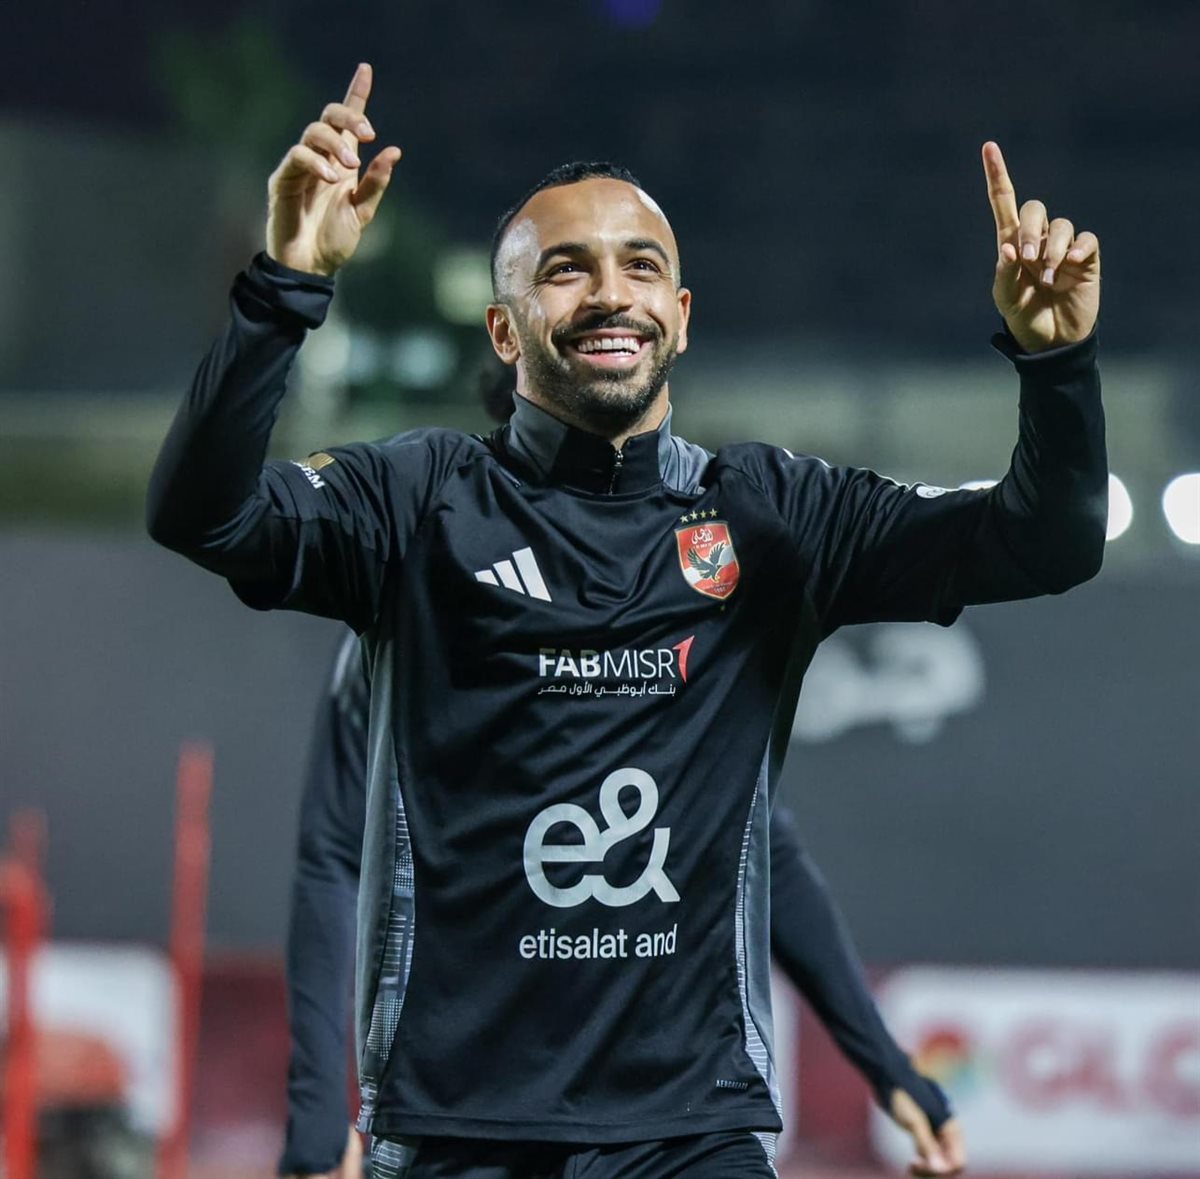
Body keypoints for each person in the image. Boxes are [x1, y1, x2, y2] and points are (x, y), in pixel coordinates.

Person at [148, 61, 1104, 1179]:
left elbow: (1046, 544)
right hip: (460, 1133)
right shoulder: (415, 503)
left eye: (641, 265)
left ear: (680, 319)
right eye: (566, 270)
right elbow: (202, 516)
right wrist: (285, 285)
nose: (610, 293)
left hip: (694, 1134)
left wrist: (1057, 365)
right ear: (505, 331)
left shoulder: (773, 515)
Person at [278, 632, 963, 1179]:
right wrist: (317, 1105)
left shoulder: (687, 583)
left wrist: (887, 1064)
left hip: (678, 1112)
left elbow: (752, 847)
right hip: (472, 1109)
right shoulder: (418, 576)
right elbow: (335, 851)